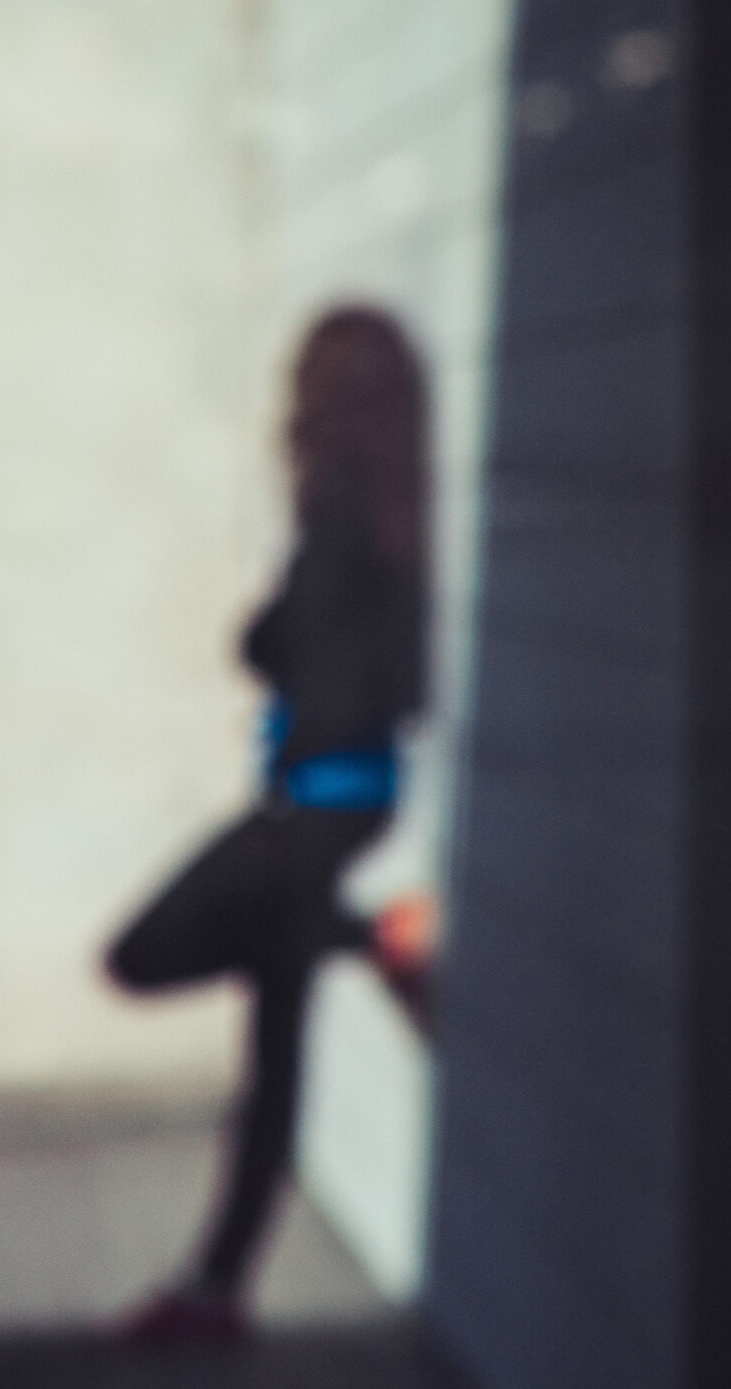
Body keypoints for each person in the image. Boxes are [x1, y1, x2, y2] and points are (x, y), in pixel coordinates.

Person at [109, 306, 439, 1345]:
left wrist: (264, 633)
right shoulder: (391, 511)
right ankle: (215, 1285)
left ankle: (373, 934)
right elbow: (390, 676)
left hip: (306, 808)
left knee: (143, 951)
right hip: (348, 799)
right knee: (276, 1058)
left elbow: (288, 648)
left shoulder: (339, 513)